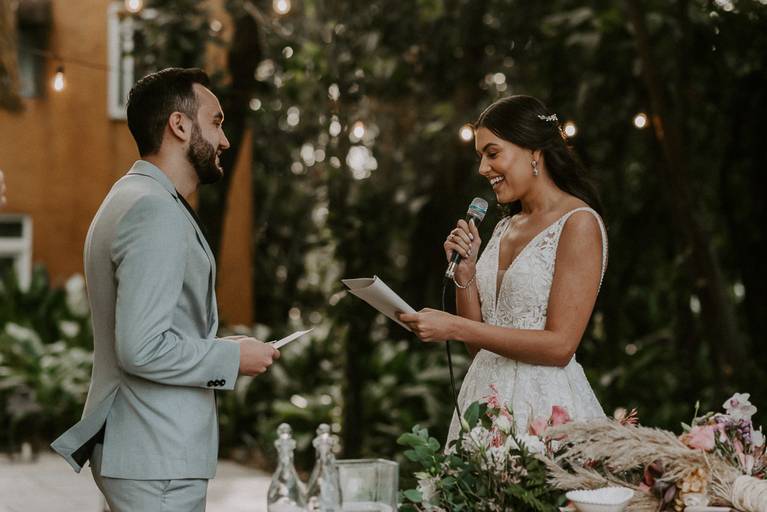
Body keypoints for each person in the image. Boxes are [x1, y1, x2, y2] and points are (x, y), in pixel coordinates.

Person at [50, 68, 279, 512]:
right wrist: (230, 359)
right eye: (216, 122)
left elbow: (150, 329)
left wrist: (223, 346)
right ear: (179, 125)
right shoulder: (153, 210)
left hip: (144, 451)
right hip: (157, 457)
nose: (225, 140)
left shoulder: (130, 196)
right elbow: (140, 347)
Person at [399, 95, 607, 445]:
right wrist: (465, 276)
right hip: (484, 406)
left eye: (492, 154)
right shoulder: (503, 228)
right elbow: (480, 349)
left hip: (543, 413)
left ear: (534, 152)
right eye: (480, 156)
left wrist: (454, 327)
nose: (483, 168)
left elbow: (560, 346)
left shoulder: (578, 223)